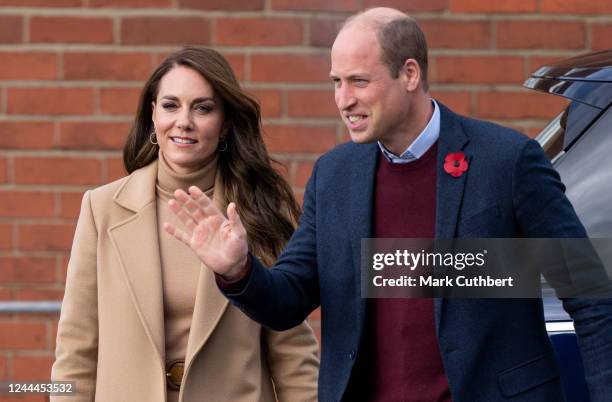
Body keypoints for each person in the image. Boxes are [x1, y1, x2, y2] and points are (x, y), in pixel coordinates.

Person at [165, 8, 612, 402]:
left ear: (410, 74)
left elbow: (589, 295)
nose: (344, 100)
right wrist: (239, 270)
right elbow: (290, 299)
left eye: (359, 81)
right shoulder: (335, 175)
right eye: (336, 83)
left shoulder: (506, 160)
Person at [51, 46, 319, 402]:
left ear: (224, 124)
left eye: (203, 108)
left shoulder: (255, 210)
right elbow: (75, 351)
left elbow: (293, 355)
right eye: (171, 105)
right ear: (152, 115)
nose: (184, 121)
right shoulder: (101, 209)